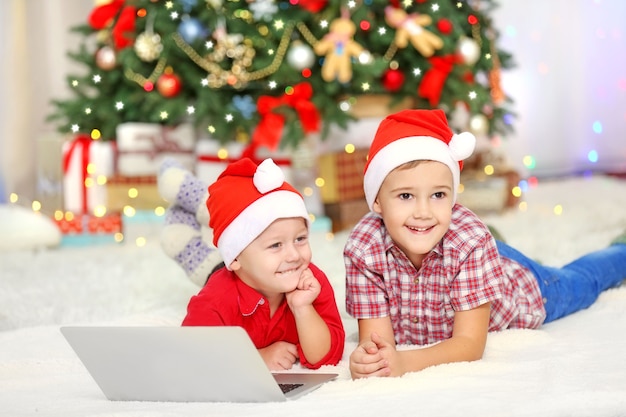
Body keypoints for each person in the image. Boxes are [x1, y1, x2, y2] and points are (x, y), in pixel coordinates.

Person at [344, 109, 626, 379]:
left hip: (528, 288)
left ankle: (620, 249)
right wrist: (371, 360)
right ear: (377, 202)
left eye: (438, 195)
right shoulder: (364, 248)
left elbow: (469, 344)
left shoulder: (469, 241)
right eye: (406, 196)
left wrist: (404, 362)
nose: (423, 211)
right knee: (476, 241)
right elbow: (376, 343)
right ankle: (498, 246)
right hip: (468, 251)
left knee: (583, 281)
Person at [182, 157, 345, 371]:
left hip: (249, 270)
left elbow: (326, 358)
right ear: (236, 257)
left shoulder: (311, 282)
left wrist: (302, 308)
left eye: (300, 239)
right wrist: (256, 358)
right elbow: (191, 355)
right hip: (229, 274)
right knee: (208, 269)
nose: (294, 255)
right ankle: (188, 233)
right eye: (276, 245)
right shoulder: (215, 299)